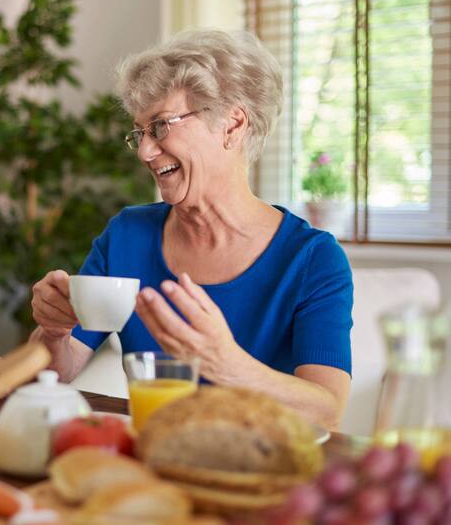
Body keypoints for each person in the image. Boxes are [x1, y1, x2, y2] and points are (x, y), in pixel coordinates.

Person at [30, 29, 352, 430]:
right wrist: (54, 331)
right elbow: (59, 371)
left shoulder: (311, 258)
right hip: (154, 461)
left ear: (232, 125)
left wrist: (225, 363)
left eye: (161, 126)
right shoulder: (127, 235)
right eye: (140, 133)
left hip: (260, 473)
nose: (146, 151)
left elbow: (327, 410)